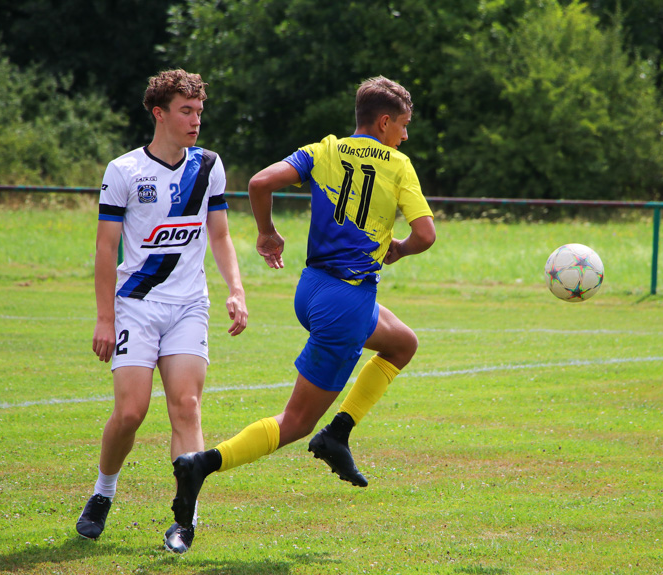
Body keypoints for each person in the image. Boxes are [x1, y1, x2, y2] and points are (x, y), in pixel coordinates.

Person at [167, 75, 436, 553]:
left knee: (403, 343)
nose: (406, 136)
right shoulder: (398, 165)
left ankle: (340, 433)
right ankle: (203, 463)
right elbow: (426, 235)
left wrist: (267, 233)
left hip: (311, 291)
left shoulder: (324, 150)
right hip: (347, 303)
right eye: (404, 126)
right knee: (295, 423)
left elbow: (259, 182)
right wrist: (398, 249)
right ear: (385, 121)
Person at [75, 69, 248, 554]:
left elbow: (220, 234)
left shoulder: (209, 165)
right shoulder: (124, 171)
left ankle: (184, 520)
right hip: (137, 306)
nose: (195, 121)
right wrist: (105, 318)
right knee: (130, 412)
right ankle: (103, 493)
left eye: (199, 112)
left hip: (190, 305)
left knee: (187, 407)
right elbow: (106, 250)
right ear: (160, 113)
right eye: (186, 111)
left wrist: (235, 289)